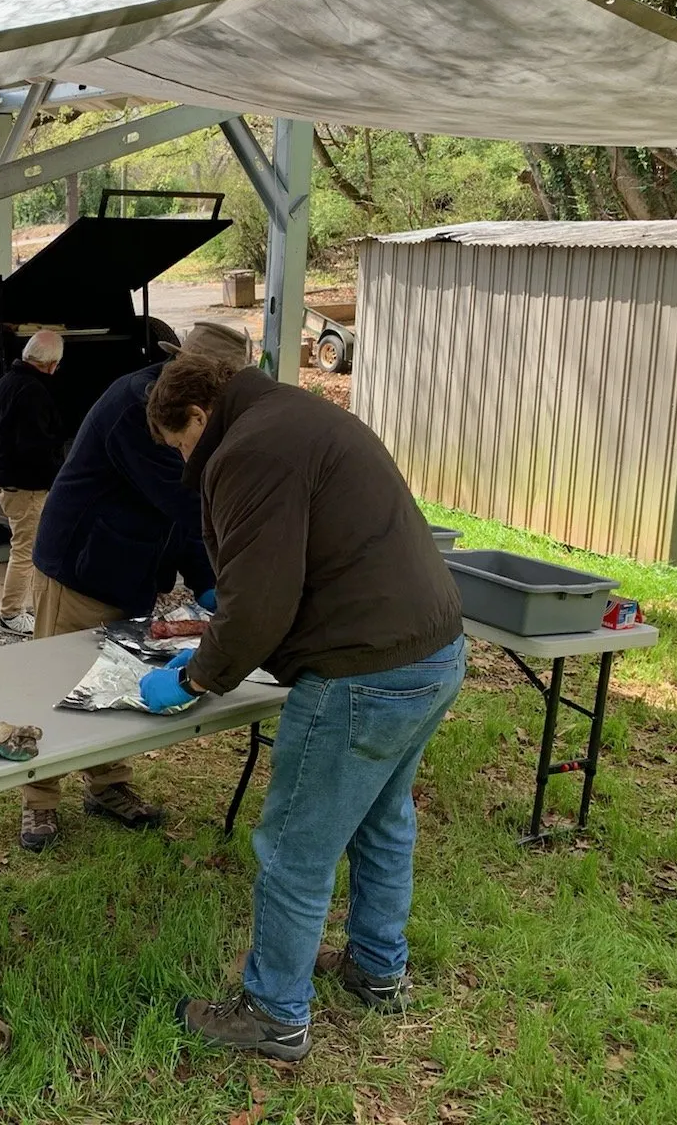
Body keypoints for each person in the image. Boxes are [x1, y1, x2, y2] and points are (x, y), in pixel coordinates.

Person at [139, 355, 465, 1063]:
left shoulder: (249, 448)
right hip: (433, 650)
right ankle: (379, 971)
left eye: (180, 447)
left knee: (295, 849)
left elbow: (261, 606)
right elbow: (303, 554)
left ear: (197, 417)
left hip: (363, 670)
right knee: (383, 821)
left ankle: (274, 1014)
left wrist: (197, 676)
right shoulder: (303, 414)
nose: (185, 461)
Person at [17, 321, 251, 853]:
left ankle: (107, 786)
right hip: (79, 566)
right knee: (55, 686)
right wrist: (236, 577)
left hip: (131, 566)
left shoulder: (192, 414)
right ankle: (39, 802)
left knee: (114, 677)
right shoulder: (136, 407)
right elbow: (191, 505)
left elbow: (190, 514)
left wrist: (209, 583)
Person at [0, 329, 67, 636]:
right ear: (50, 364)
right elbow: (37, 450)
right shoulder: (34, 393)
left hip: (7, 481)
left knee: (23, 547)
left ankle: (20, 609)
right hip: (27, 486)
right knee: (25, 551)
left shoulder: (4, 384)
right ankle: (11, 614)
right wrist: (58, 479)